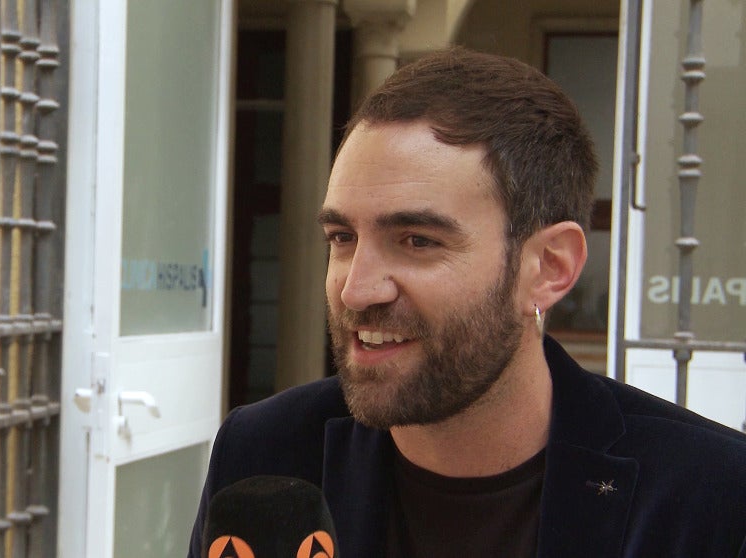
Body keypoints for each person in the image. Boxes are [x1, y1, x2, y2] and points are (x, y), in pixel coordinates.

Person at [188, 47, 746, 557]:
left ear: (549, 268)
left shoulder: (713, 498)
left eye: (417, 241)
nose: (356, 289)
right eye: (342, 238)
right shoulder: (267, 451)